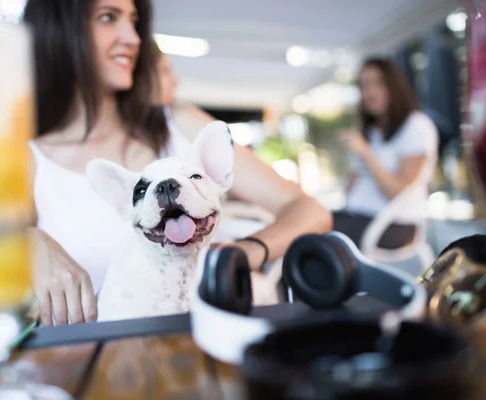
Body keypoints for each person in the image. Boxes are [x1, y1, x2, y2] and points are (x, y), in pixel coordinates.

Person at [23, 0, 331, 326]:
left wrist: (246, 252)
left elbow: (310, 210)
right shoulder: (28, 160)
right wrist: (24, 244)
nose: (133, 37)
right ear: (55, 33)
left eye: (133, 20)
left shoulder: (182, 124)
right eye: (107, 17)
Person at [335, 57, 439, 249]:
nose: (369, 93)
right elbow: (347, 190)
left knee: (310, 234)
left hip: (396, 225)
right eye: (364, 85)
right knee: (307, 220)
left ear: (394, 86)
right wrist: (353, 159)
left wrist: (365, 153)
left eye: (378, 83)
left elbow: (396, 191)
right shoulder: (372, 131)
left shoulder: (416, 125)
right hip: (357, 215)